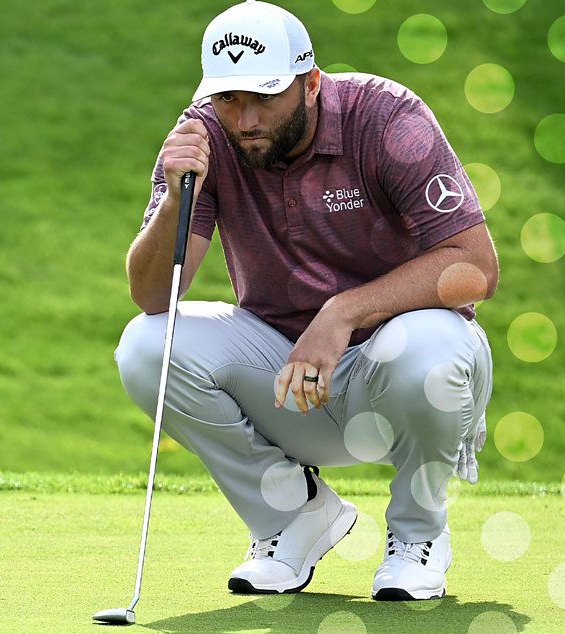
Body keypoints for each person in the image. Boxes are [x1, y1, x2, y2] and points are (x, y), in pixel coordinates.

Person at [115, 0, 497, 601]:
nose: (245, 120)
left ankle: (418, 537)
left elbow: (473, 267)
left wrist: (341, 313)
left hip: (398, 378)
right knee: (146, 345)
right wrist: (175, 199)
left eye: (265, 97)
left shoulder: (387, 118)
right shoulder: (203, 137)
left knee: (431, 344)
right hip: (288, 384)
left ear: (311, 82)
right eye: (229, 98)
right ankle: (292, 515)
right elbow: (150, 293)